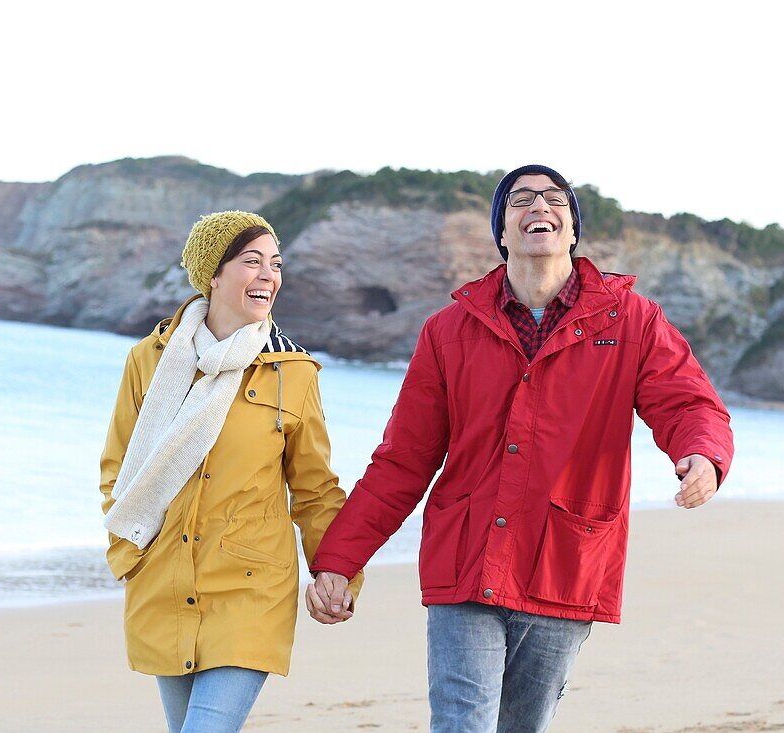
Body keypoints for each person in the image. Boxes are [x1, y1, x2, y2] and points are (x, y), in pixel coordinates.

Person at [306, 165, 734, 732]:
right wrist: (339, 560)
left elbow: (688, 403)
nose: (540, 206)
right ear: (502, 232)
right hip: (466, 558)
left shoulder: (631, 320)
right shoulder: (448, 330)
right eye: (521, 200)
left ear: (573, 230)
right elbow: (402, 461)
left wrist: (702, 455)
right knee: (463, 723)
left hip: (566, 560)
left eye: (556, 198)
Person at [99, 210, 362, 733]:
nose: (269, 275)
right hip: (164, 584)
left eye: (276, 264)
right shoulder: (148, 360)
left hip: (250, 589)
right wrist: (135, 552)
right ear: (213, 274)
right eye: (251, 261)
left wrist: (339, 572)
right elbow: (118, 472)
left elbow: (315, 490)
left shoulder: (293, 372)